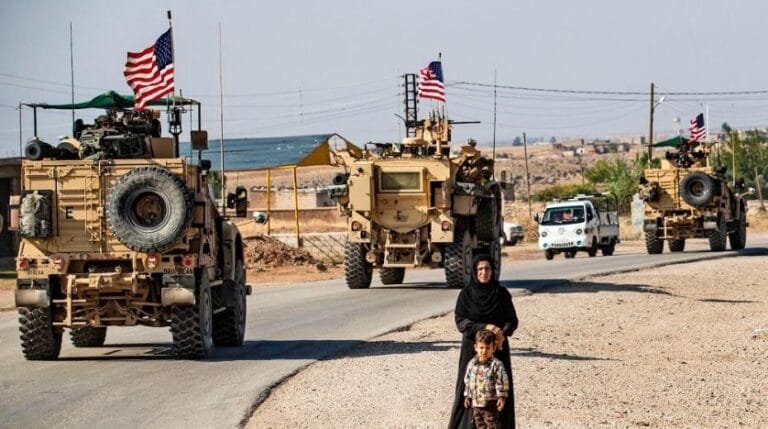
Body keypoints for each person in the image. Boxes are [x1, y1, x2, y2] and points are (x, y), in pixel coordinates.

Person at [449, 254, 519, 429]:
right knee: (468, 386)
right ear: (474, 271)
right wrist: (486, 327)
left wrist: (502, 333)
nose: (484, 273)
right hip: (473, 348)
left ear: (493, 271)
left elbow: (512, 320)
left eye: (487, 269)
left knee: (499, 386)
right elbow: (461, 321)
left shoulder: (501, 293)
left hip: (498, 348)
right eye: (480, 269)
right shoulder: (466, 294)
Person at [463, 329, 510, 429]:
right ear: (476, 347)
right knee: (479, 425)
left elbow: (502, 381)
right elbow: (468, 381)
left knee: (492, 425)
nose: (484, 351)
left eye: (488, 348)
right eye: (481, 348)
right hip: (476, 404)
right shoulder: (472, 364)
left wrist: (502, 396)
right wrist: (467, 396)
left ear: (493, 348)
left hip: (490, 403)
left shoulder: (496, 365)